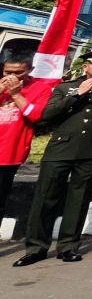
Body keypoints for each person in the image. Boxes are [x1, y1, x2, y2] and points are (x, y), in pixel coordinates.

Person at [14, 47, 92, 267]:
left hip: (90, 150)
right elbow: (46, 115)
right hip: (61, 149)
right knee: (46, 198)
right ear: (85, 66)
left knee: (79, 199)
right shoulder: (66, 87)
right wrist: (78, 93)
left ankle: (68, 246)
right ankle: (36, 247)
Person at [0, 53, 42, 219]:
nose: (11, 76)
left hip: (9, 153)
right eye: (7, 72)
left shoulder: (39, 88)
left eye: (18, 73)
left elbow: (36, 117)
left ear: (29, 70)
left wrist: (16, 95)